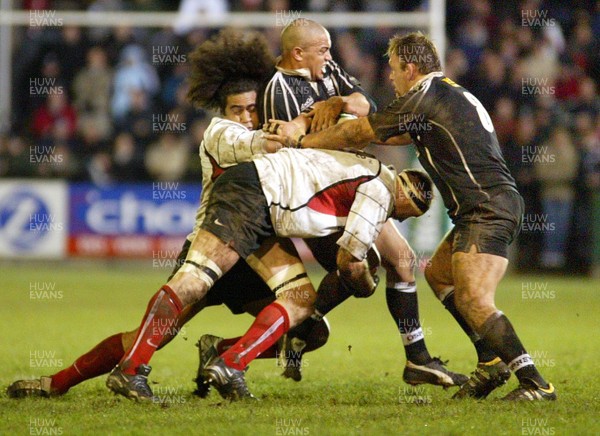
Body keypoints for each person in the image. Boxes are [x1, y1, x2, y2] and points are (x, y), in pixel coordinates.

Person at [6, 29, 327, 400]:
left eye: (252, 109)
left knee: (310, 326)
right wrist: (293, 133)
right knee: (147, 338)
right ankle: (56, 383)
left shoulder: (267, 126)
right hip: (217, 240)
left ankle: (223, 354)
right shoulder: (220, 133)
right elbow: (250, 142)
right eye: (236, 109)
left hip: (256, 247)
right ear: (223, 112)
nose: (245, 116)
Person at [268, 32, 556, 401]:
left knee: (474, 299)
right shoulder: (446, 94)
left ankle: (535, 383)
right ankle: (490, 362)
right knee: (438, 275)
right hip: (481, 208)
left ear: (411, 67)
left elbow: (363, 130)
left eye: (393, 69)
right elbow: (385, 136)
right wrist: (337, 111)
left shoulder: (424, 98)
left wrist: (300, 141)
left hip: (487, 209)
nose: (390, 77)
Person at [260, 19, 466, 389]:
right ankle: (283, 335)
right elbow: (293, 148)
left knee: (401, 261)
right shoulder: (279, 89)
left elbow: (364, 104)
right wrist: (315, 120)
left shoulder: (327, 70)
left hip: (353, 181)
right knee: (361, 275)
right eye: (322, 50)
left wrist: (338, 103)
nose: (330, 56)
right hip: (318, 192)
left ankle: (417, 360)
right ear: (297, 53)